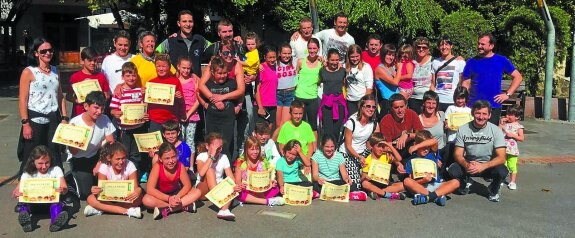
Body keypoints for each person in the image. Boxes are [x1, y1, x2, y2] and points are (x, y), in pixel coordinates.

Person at [18, 38, 67, 175]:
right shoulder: (29, 72)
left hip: (53, 118)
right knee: (32, 155)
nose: (48, 53)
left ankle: (57, 185)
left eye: (50, 50)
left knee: (54, 154)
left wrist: (64, 117)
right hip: (35, 119)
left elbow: (60, 95)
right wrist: (25, 123)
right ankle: (26, 186)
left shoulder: (55, 70)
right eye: (43, 51)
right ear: (36, 53)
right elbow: (23, 99)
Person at [448, 100, 508, 202]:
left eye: (484, 114)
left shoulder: (496, 130)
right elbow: (458, 154)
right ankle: (465, 182)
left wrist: (483, 166)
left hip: (488, 165)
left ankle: (493, 190)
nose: (481, 117)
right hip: (469, 164)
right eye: (478, 113)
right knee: (453, 169)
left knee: (502, 171)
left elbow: (502, 157)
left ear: (489, 115)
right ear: (472, 114)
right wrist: (467, 165)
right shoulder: (463, 129)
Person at [462, 33, 523, 125]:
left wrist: (507, 94)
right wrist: (463, 101)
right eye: (478, 44)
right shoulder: (471, 62)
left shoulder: (501, 60)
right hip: (473, 105)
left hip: (493, 106)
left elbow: (518, 77)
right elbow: (465, 84)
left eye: (482, 44)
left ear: (491, 46)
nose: (479, 46)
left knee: (490, 136)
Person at [68, 91, 115, 199]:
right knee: (86, 193)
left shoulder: (105, 119)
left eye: (102, 108)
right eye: (96, 108)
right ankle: (71, 176)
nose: (99, 112)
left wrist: (100, 162)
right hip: (79, 157)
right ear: (86, 106)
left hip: (98, 155)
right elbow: (73, 152)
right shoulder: (74, 123)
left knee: (106, 187)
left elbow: (110, 143)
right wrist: (77, 139)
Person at [13, 145, 69, 232]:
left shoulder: (56, 170)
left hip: (51, 203)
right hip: (33, 204)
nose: (44, 166)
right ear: (33, 162)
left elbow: (64, 187)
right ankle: (26, 221)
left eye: (47, 162)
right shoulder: (27, 173)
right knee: (23, 205)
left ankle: (56, 222)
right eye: (40, 163)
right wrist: (17, 193)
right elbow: (17, 190)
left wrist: (63, 190)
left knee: (57, 204)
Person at [199, 53, 244, 161]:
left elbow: (240, 93)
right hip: (212, 119)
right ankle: (211, 167)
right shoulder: (208, 84)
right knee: (212, 142)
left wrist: (238, 106)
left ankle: (226, 170)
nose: (222, 76)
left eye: (224, 73)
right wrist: (206, 104)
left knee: (226, 143)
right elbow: (198, 91)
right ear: (213, 73)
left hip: (228, 119)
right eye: (219, 73)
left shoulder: (232, 83)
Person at [109, 62, 149, 180]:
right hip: (124, 131)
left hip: (139, 129)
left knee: (136, 155)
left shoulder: (140, 91)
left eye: (133, 75)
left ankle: (134, 179)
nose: (131, 78)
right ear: (122, 77)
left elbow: (144, 106)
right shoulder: (119, 92)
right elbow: (112, 109)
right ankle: (123, 178)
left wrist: (145, 115)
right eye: (128, 75)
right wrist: (115, 113)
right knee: (123, 154)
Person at [143, 142, 201, 220]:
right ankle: (182, 207)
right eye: (167, 158)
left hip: (176, 194)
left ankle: (167, 209)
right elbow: (150, 189)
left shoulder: (180, 165)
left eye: (173, 157)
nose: (171, 161)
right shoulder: (157, 167)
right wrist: (168, 198)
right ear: (160, 159)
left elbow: (187, 185)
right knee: (146, 200)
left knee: (197, 192)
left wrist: (177, 197)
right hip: (161, 195)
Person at [84, 142, 143, 218]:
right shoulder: (104, 167)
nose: (121, 162)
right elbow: (101, 191)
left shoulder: (130, 165)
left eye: (123, 158)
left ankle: (101, 209)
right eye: (118, 159)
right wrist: (95, 190)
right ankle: (128, 211)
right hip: (109, 198)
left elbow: (135, 187)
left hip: (125, 198)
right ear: (109, 158)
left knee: (139, 198)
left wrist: (138, 190)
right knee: (90, 198)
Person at [404, 130, 460, 206]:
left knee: (456, 182)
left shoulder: (432, 154)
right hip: (421, 187)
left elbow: (434, 141)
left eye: (428, 147)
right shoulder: (411, 160)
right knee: (407, 181)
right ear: (415, 144)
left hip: (435, 185)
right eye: (423, 147)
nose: (426, 149)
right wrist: (423, 180)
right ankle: (435, 197)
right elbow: (412, 180)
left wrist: (417, 146)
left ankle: (428, 198)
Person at [195, 133, 241, 221]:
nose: (218, 150)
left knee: (231, 183)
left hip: (218, 186)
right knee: (210, 170)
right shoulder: (201, 156)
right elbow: (201, 173)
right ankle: (223, 203)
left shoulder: (223, 157)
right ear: (207, 146)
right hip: (203, 187)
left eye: (220, 147)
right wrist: (211, 157)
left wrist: (234, 186)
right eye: (216, 148)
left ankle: (224, 210)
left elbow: (230, 176)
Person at [339, 95, 378, 191]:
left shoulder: (374, 123)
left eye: (373, 107)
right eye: (368, 106)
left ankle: (370, 185)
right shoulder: (352, 122)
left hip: (363, 152)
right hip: (348, 153)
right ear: (361, 107)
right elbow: (348, 146)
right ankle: (361, 181)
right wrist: (359, 157)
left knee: (378, 176)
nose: (371, 109)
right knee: (355, 186)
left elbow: (377, 142)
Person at [234, 136, 285, 206]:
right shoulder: (240, 163)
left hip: (260, 190)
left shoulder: (262, 162)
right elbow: (238, 183)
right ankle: (267, 201)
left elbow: (266, 179)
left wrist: (271, 183)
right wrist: (241, 185)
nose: (255, 152)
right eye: (252, 149)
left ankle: (252, 200)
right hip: (247, 190)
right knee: (239, 193)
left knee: (275, 188)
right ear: (246, 150)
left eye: (257, 149)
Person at [156, 10, 209, 77]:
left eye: (190, 21)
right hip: (176, 83)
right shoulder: (171, 41)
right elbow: (156, 54)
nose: (188, 24)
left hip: (195, 84)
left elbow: (215, 49)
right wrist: (173, 71)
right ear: (179, 23)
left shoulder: (200, 40)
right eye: (184, 21)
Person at [146, 54, 186, 132]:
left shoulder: (175, 81)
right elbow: (146, 102)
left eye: (163, 66)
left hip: (171, 120)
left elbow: (181, 102)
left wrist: (179, 97)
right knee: (156, 144)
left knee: (172, 143)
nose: (161, 69)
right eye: (158, 66)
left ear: (169, 67)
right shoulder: (151, 83)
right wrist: (143, 93)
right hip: (154, 120)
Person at [360, 133, 406, 200]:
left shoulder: (386, 156)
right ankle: (387, 194)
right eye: (379, 146)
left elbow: (399, 159)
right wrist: (365, 177)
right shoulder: (367, 160)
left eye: (383, 147)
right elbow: (363, 178)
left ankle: (378, 193)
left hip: (385, 183)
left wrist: (389, 146)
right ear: (372, 146)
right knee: (365, 184)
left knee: (402, 185)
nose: (381, 149)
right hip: (374, 183)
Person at [67, 47, 110, 117]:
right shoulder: (75, 77)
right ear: (83, 60)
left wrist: (98, 99)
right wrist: (77, 100)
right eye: (90, 60)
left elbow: (107, 95)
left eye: (95, 60)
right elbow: (68, 96)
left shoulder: (101, 77)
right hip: (79, 114)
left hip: (97, 115)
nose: (93, 63)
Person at [379, 94, 423, 159]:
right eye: (396, 108)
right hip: (394, 151)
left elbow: (421, 135)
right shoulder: (386, 121)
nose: (400, 111)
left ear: (406, 106)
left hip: (410, 148)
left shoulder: (411, 113)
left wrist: (408, 135)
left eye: (402, 107)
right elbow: (387, 146)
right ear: (391, 108)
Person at [294, 38, 322, 139]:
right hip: (299, 97)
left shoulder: (321, 63)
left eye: (314, 48)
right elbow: (294, 77)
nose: (312, 50)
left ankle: (314, 150)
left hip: (312, 98)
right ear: (307, 49)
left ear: (318, 49)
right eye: (310, 48)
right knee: (299, 124)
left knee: (313, 126)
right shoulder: (301, 61)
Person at [319, 49, 347, 139]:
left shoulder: (343, 71)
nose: (334, 62)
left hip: (339, 103)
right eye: (332, 60)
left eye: (337, 60)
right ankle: (327, 149)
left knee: (336, 129)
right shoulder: (322, 70)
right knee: (327, 129)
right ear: (328, 60)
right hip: (327, 104)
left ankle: (335, 149)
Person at [432, 36, 466, 111]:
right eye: (441, 45)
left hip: (453, 100)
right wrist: (432, 99)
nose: (444, 47)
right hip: (438, 100)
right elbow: (433, 84)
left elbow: (462, 83)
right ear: (438, 47)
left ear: (451, 46)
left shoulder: (460, 62)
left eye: (447, 44)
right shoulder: (435, 62)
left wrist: (461, 100)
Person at [177, 56, 200, 162]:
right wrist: (181, 114)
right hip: (179, 116)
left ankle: (190, 166)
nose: (186, 70)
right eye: (183, 68)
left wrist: (188, 114)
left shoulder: (194, 81)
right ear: (178, 67)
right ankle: (180, 163)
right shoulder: (175, 81)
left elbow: (198, 100)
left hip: (192, 115)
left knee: (190, 141)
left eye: (188, 68)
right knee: (179, 140)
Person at [443, 86, 471, 169]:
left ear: (466, 98)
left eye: (462, 98)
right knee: (448, 158)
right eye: (458, 98)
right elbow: (446, 121)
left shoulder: (469, 111)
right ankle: (445, 175)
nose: (460, 101)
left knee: (462, 159)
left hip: (464, 140)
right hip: (452, 138)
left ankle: (463, 176)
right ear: (455, 98)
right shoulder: (451, 108)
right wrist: (447, 125)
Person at [499, 105, 525, 190]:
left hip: (512, 150)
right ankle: (502, 179)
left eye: (510, 114)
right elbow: (498, 132)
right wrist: (501, 123)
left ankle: (512, 182)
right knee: (503, 165)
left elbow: (522, 138)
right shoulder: (505, 124)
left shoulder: (518, 126)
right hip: (503, 148)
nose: (507, 116)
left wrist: (513, 135)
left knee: (512, 166)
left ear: (517, 117)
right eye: (507, 114)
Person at [101, 30, 133, 95]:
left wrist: (121, 85)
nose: (123, 48)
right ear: (114, 44)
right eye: (120, 45)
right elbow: (103, 81)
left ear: (130, 44)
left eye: (126, 45)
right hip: (112, 99)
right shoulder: (107, 60)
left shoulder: (135, 59)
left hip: (131, 100)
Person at [275, 44, 298, 131]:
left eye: (289, 53)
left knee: (284, 124)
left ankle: (283, 144)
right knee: (278, 124)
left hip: (290, 94)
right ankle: (276, 144)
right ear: (279, 53)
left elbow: (309, 60)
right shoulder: (275, 63)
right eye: (284, 53)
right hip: (278, 94)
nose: (287, 56)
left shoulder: (295, 61)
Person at [345, 44, 373, 115]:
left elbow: (369, 87)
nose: (355, 59)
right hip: (350, 100)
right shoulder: (345, 67)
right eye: (352, 57)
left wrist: (365, 102)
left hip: (361, 100)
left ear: (360, 55)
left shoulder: (366, 67)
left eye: (357, 56)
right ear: (348, 57)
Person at [409, 37, 435, 115]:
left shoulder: (433, 61)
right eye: (418, 47)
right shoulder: (411, 61)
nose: (421, 49)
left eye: (424, 47)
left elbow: (434, 83)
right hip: (413, 98)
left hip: (428, 99)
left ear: (428, 49)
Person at [255, 45, 278, 129]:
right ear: (265, 57)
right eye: (270, 57)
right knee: (261, 131)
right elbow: (256, 89)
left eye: (274, 57)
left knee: (270, 129)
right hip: (263, 104)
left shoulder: (276, 67)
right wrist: (260, 107)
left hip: (273, 104)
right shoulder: (262, 69)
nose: (272, 60)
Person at [418, 91, 446, 160]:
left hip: (443, 151)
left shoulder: (441, 115)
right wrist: (434, 158)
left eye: (434, 103)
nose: (431, 106)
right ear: (424, 103)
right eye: (428, 103)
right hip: (426, 153)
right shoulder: (418, 119)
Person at [374, 44, 400, 119]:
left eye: (393, 55)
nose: (391, 57)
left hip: (397, 100)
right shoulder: (379, 69)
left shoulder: (391, 68)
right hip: (387, 102)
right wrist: (400, 68)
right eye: (389, 55)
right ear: (383, 54)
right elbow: (395, 82)